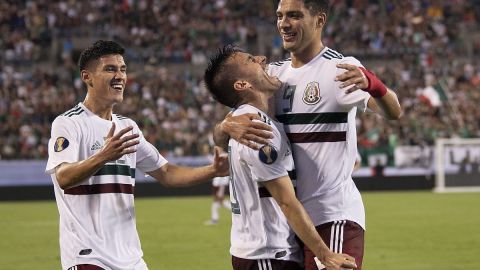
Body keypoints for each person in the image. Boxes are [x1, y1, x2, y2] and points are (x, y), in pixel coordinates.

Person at [214, 1, 402, 269]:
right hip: (292, 225)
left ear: (319, 20)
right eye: (279, 16)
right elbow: (222, 137)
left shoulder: (339, 68)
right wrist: (225, 127)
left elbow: (394, 112)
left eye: (294, 16)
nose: (284, 23)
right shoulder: (272, 76)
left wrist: (376, 86)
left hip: (331, 214)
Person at [45, 40, 229, 270]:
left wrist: (213, 171)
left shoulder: (127, 127)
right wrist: (103, 156)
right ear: (87, 77)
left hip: (130, 259)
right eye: (110, 69)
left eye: (123, 69)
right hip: (88, 257)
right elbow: (63, 176)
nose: (120, 76)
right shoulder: (68, 123)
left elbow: (166, 172)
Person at [205, 45, 357, 270]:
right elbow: (286, 201)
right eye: (251, 59)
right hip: (268, 255)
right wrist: (325, 255)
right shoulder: (257, 130)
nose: (262, 58)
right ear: (242, 85)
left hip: (266, 252)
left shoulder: (245, 121)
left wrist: (223, 126)